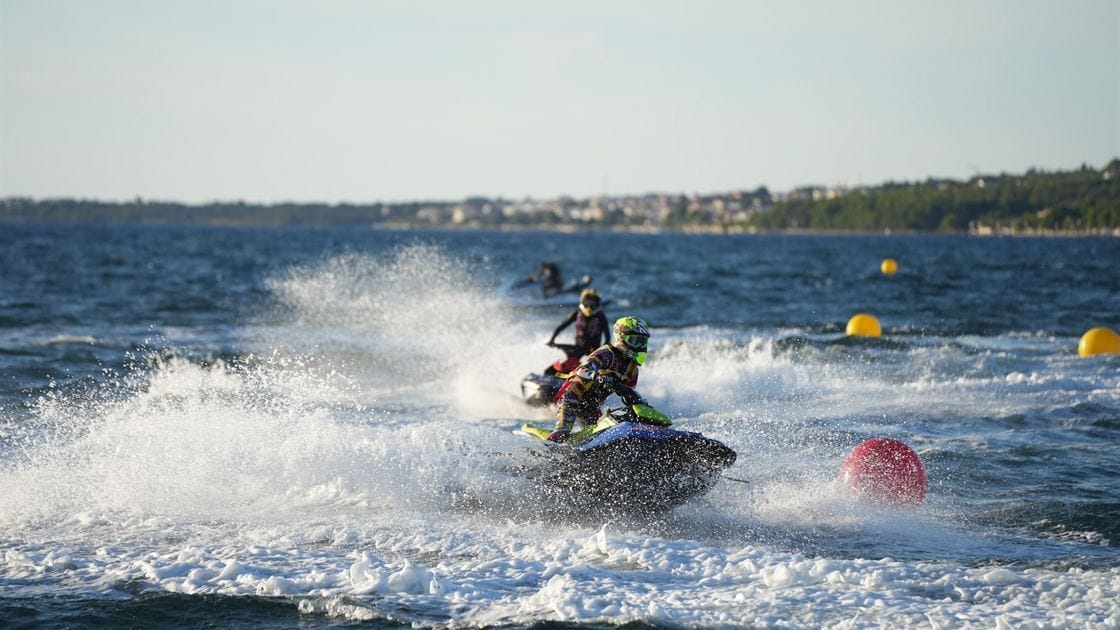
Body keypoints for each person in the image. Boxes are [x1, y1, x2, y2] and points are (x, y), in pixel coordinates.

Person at [548, 316, 650, 442]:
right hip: (571, 398)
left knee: (596, 437)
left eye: (642, 342)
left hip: (592, 407)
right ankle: (550, 447)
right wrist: (599, 377)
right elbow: (582, 370)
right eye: (635, 341)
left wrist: (639, 403)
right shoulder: (607, 353)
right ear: (621, 338)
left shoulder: (632, 369)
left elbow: (627, 394)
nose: (639, 346)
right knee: (562, 434)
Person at [544, 288, 610, 376]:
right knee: (554, 369)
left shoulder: (601, 316)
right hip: (578, 348)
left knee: (594, 372)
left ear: (597, 303)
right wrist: (552, 339)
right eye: (587, 303)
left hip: (593, 351)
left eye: (592, 304)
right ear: (582, 301)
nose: (589, 308)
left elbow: (607, 338)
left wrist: (602, 352)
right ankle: (551, 377)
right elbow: (563, 325)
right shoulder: (577, 312)